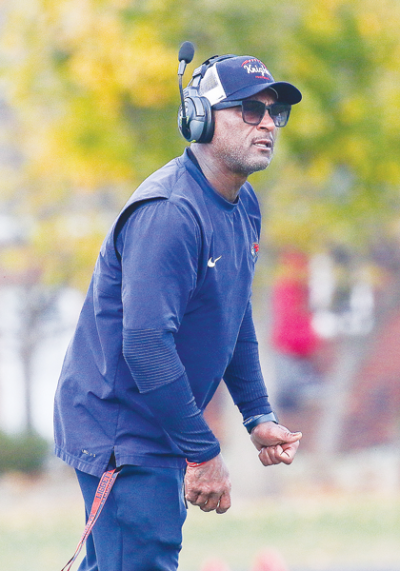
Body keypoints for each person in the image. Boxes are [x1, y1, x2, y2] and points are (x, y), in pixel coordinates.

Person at [54, 49, 303, 571]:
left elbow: (233, 315)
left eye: (273, 112)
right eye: (248, 111)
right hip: (122, 430)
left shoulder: (243, 204)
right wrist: (202, 453)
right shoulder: (170, 214)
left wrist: (257, 413)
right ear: (201, 117)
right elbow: (146, 347)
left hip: (158, 422)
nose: (267, 126)